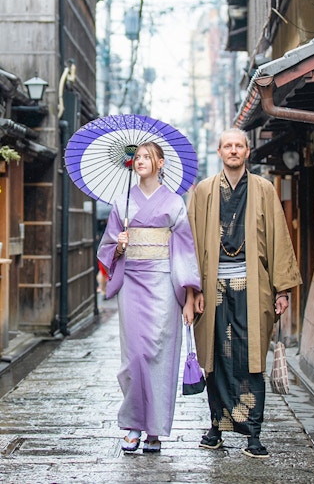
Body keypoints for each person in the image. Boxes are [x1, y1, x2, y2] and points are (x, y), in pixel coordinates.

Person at [188, 128, 302, 458]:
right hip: (213, 288)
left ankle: (253, 432)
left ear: (247, 151)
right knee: (215, 358)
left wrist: (282, 290)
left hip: (255, 288)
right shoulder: (205, 191)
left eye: (239, 145)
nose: (234, 150)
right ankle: (216, 426)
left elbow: (279, 239)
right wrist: (193, 290)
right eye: (228, 146)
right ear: (219, 151)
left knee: (251, 359)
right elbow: (193, 242)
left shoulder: (264, 189)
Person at [97, 141, 201, 453]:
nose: (140, 161)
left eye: (147, 157)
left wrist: (190, 294)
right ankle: (132, 424)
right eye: (137, 157)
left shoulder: (174, 202)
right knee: (134, 356)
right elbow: (107, 248)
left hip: (163, 283)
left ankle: (154, 429)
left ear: (160, 163)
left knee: (160, 354)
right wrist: (119, 245)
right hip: (131, 282)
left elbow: (184, 249)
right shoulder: (123, 202)